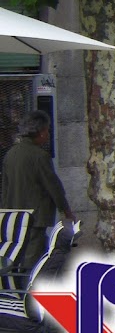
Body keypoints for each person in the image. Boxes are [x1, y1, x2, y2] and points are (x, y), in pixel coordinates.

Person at [1, 110, 76, 267]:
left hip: (14, 214)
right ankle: (29, 289)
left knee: (18, 254)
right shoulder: (40, 156)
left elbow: (5, 188)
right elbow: (53, 186)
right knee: (33, 258)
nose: (48, 134)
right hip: (36, 216)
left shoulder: (10, 154)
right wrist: (66, 211)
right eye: (47, 130)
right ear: (40, 132)